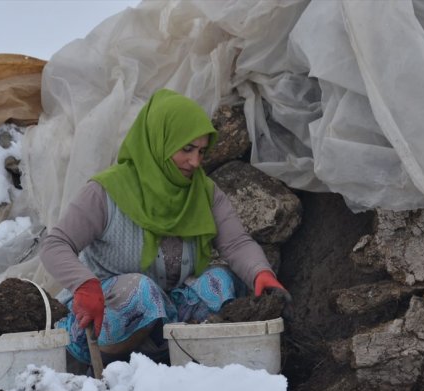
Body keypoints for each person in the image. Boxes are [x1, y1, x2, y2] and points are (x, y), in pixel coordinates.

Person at [39, 88, 289, 369]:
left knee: (220, 283)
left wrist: (261, 273)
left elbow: (236, 244)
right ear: (160, 141)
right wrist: (84, 284)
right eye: (186, 149)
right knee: (141, 293)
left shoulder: (202, 191)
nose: (195, 162)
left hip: (165, 316)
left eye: (201, 151)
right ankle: (112, 369)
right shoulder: (106, 191)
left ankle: (177, 359)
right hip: (100, 314)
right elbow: (55, 244)